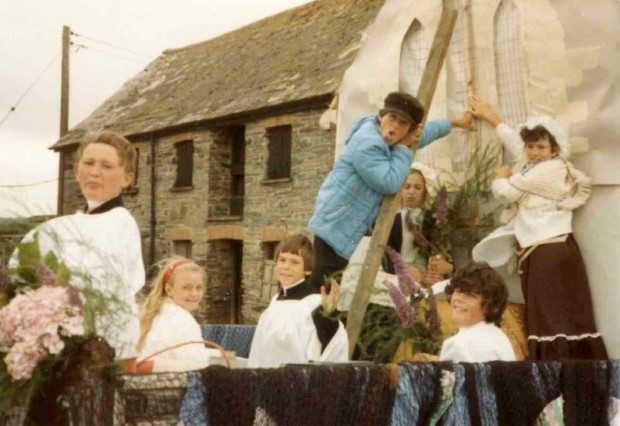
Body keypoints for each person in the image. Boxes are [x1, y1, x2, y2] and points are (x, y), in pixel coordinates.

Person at [469, 95, 607, 360]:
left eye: (541, 147)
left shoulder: (552, 170)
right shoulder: (533, 167)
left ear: (554, 150)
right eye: (530, 146)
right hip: (542, 250)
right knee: (550, 318)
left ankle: (560, 379)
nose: (533, 152)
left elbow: (506, 194)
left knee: (552, 320)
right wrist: (491, 117)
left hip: (549, 252)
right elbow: (515, 145)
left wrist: (501, 178)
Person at [309, 91, 473, 289]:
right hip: (336, 226)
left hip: (346, 225)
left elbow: (420, 134)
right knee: (326, 292)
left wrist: (454, 123)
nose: (395, 126)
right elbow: (389, 182)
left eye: (403, 123)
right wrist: (404, 148)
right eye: (392, 118)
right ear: (381, 116)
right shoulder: (367, 143)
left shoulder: (389, 138)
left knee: (338, 292)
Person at [9, 131, 145, 360]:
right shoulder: (58, 227)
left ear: (126, 178)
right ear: (76, 171)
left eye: (107, 166)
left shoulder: (121, 224)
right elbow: (20, 270)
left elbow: (99, 288)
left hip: (103, 349)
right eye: (88, 163)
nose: (94, 172)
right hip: (60, 347)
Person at [248, 234, 348, 368]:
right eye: (282, 260)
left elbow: (332, 347)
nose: (286, 267)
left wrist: (328, 317)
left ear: (307, 270)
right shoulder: (275, 301)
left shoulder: (315, 304)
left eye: (294, 262)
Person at [135, 258, 222, 372]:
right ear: (169, 289)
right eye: (186, 287)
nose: (194, 294)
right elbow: (199, 370)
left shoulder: (153, 312)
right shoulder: (182, 319)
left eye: (199, 287)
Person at [439, 261, 516, 362]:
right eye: (458, 291)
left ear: (491, 307)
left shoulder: (458, 345)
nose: (459, 299)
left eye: (470, 295)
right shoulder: (500, 338)